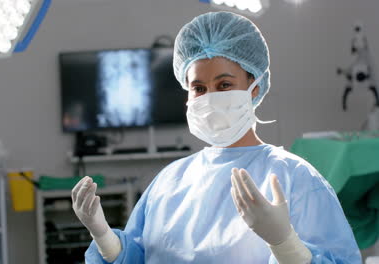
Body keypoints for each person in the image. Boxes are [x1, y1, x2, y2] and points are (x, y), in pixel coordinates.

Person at [72, 11, 362, 263]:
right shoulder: (168, 182)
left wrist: (285, 243)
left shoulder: (294, 178)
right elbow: (140, 256)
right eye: (198, 88)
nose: (210, 98)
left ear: (255, 87)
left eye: (224, 84)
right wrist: (103, 235)